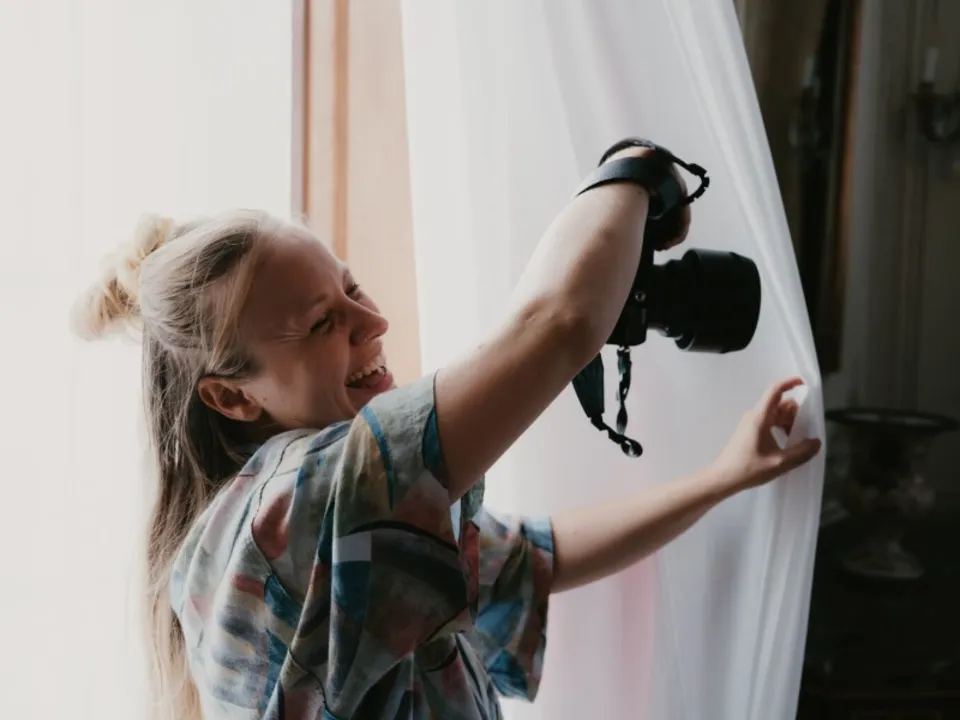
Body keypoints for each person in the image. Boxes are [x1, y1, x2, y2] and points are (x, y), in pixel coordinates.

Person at [73, 144, 821, 720]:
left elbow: (536, 556)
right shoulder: (301, 503)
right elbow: (559, 325)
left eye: (352, 289)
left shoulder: (314, 525)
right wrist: (635, 169)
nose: (373, 322)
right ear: (232, 398)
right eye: (323, 323)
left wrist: (724, 476)